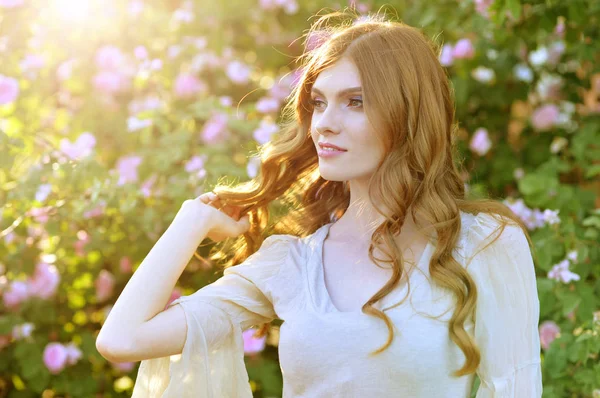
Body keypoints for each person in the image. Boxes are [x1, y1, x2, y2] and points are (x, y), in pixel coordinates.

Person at [96, 9, 543, 398]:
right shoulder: (291, 264)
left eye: (355, 102)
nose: (324, 124)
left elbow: (516, 388)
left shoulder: (482, 244)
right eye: (318, 102)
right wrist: (190, 222)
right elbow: (123, 339)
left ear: (407, 114)